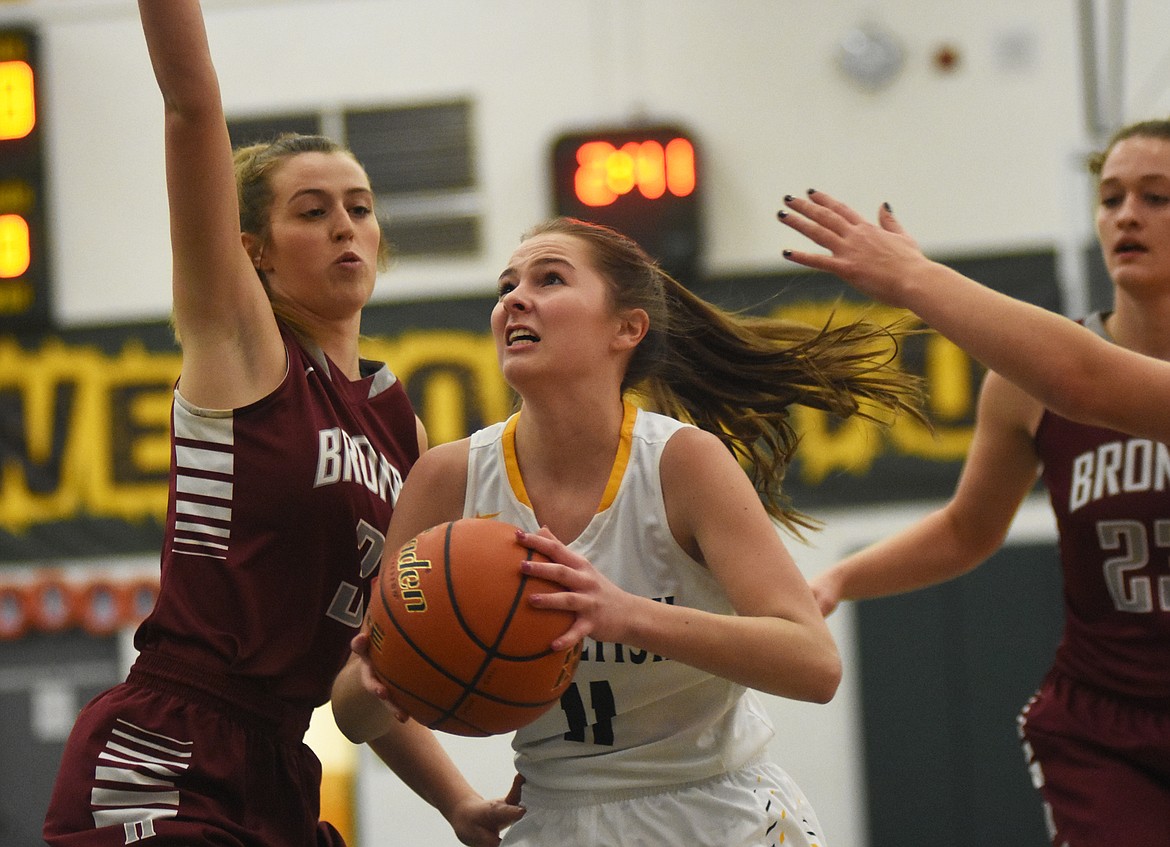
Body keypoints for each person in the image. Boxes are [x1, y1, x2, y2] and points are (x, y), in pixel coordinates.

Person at [43, 3, 521, 845]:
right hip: (168, 744)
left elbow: (378, 657)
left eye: (361, 206)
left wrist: (458, 804)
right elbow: (192, 103)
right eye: (312, 210)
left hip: (283, 763)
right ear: (254, 249)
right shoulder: (245, 344)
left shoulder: (394, 423)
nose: (345, 223)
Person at [331, 215, 924, 847]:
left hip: (716, 813)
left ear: (627, 327)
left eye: (550, 278)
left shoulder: (683, 463)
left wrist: (625, 615)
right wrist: (398, 705)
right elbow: (351, 706)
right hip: (552, 817)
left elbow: (814, 664)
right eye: (506, 286)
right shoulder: (448, 477)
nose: (514, 299)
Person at [777, 119, 1170, 847]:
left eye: (1157, 197)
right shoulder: (1022, 386)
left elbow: (1082, 377)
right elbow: (966, 528)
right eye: (1111, 197)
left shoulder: (1060, 371)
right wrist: (838, 579)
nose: (1127, 216)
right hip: (1106, 718)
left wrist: (914, 279)